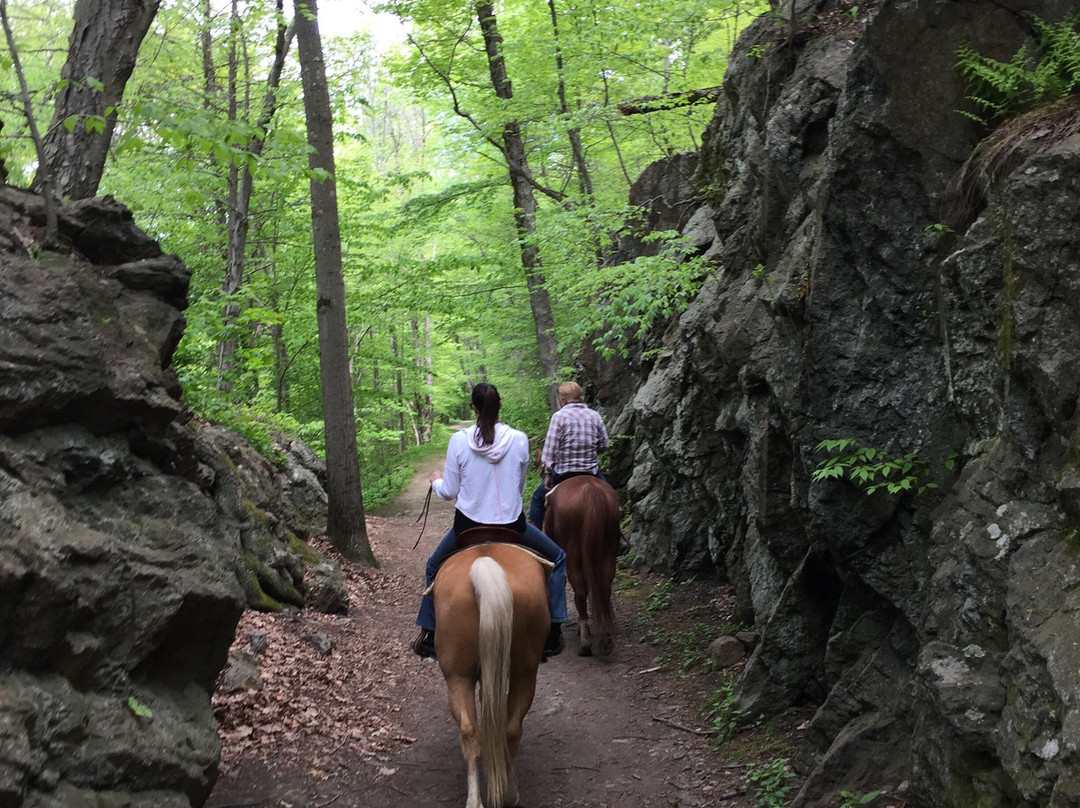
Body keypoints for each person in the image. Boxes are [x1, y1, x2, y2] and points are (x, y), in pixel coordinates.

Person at [410, 382, 567, 660]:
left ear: (473, 407)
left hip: (468, 528)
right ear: (500, 405)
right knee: (558, 558)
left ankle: (430, 635)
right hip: (511, 526)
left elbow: (449, 492)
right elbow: (518, 489)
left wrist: (435, 481)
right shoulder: (519, 439)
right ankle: (554, 630)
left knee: (433, 565)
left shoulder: (459, 441)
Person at [527, 381, 610, 528]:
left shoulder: (559, 417)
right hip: (591, 471)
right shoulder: (595, 415)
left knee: (537, 499)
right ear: (581, 397)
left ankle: (534, 542)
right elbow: (604, 445)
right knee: (611, 500)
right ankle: (618, 537)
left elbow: (550, 451)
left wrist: (547, 474)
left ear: (563, 400)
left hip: (563, 473)